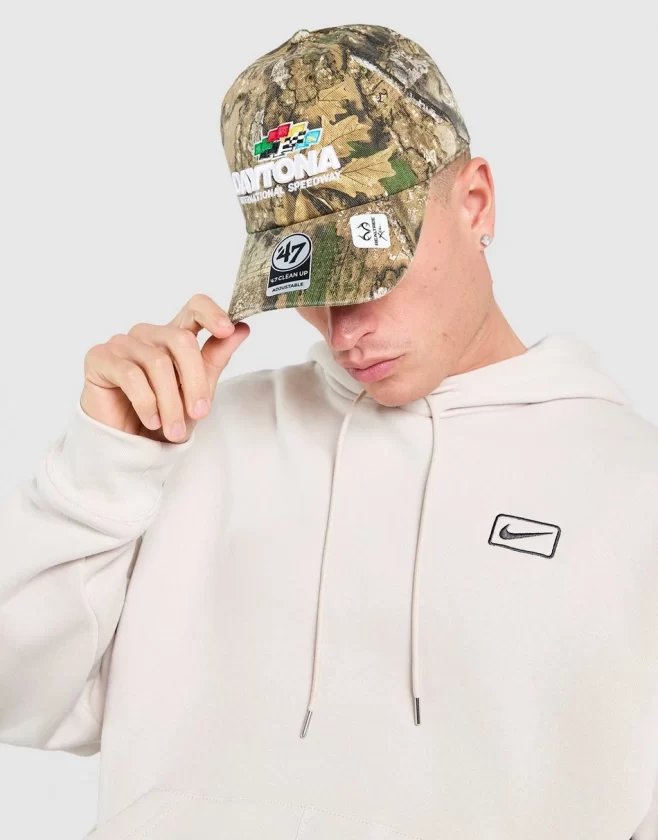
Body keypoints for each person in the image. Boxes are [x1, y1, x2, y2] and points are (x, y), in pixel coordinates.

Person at [1, 22, 657, 840]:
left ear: (476, 202)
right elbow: (16, 698)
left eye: (371, 272)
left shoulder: (632, 492)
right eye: (307, 281)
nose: (344, 329)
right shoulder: (188, 446)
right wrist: (101, 469)